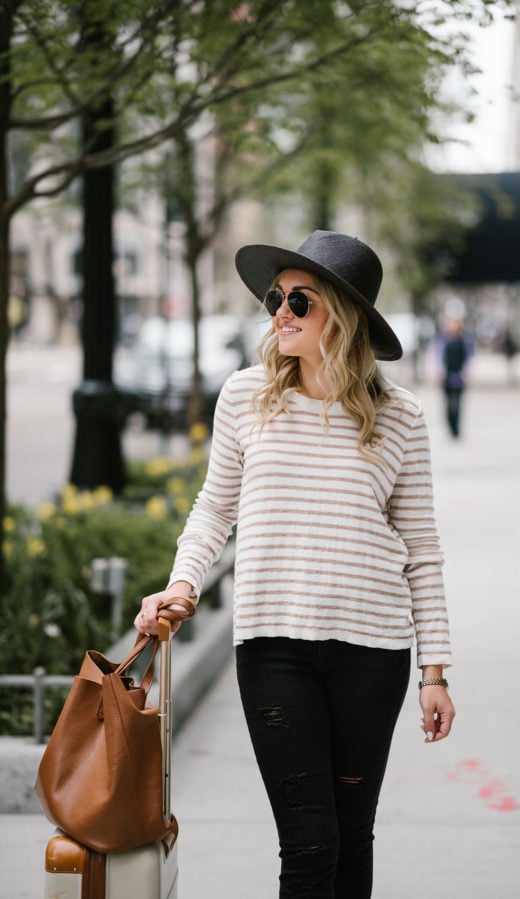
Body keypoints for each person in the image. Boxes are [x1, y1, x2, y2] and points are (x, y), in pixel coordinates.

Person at [135, 230, 455, 898]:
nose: (279, 311)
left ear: (342, 313)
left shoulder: (401, 418)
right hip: (273, 645)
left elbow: (422, 551)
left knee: (352, 838)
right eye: (275, 297)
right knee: (311, 843)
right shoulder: (246, 397)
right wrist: (182, 583)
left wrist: (435, 669)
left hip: (373, 651)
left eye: (298, 301)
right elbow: (213, 508)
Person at [441, 317, 469, 438]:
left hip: (458, 377)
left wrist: (465, 371)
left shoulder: (462, 343)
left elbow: (466, 359)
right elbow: (441, 359)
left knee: (457, 404)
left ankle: (456, 428)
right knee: (449, 405)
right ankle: (451, 426)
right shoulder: (445, 342)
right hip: (448, 377)